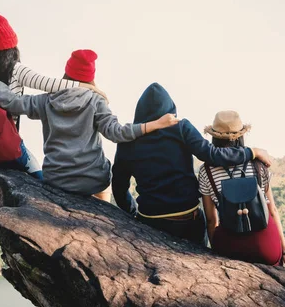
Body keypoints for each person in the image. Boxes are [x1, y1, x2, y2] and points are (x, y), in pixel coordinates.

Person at [0, 14, 104, 264]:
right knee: (42, 180)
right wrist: (89, 88)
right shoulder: (17, 71)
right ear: (13, 48)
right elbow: (54, 84)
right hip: (11, 150)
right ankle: (63, 225)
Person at [0, 49, 180, 200]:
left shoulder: (47, 101)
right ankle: (107, 216)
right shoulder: (95, 101)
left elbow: (11, 101)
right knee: (106, 170)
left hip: (57, 180)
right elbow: (117, 133)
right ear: (90, 77)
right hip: (93, 180)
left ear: (66, 74)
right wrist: (154, 124)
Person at [111, 83, 272, 246]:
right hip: (188, 219)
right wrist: (252, 152)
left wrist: (132, 214)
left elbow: (118, 186)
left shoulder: (128, 141)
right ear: (170, 109)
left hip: (150, 219)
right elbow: (212, 155)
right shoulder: (180, 127)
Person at [198, 110, 285, 270]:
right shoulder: (259, 163)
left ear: (214, 137)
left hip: (231, 245)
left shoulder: (206, 171)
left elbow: (211, 220)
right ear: (240, 136)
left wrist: (217, 251)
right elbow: (272, 210)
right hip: (266, 246)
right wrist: (284, 251)